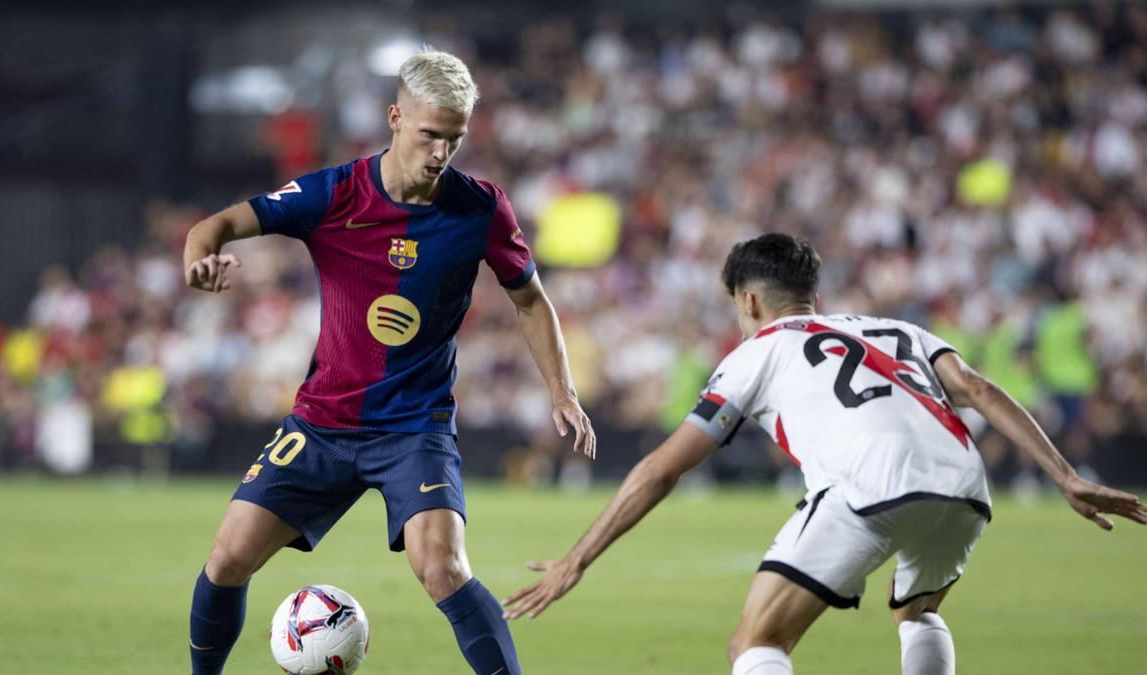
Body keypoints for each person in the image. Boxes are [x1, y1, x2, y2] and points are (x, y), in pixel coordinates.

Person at [501, 233, 1145, 675]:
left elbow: (664, 466)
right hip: (964, 483)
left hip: (870, 482)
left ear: (748, 301)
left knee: (755, 641)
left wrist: (577, 560)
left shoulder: (757, 350)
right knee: (916, 611)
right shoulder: (896, 329)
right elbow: (977, 390)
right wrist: (1064, 476)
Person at [182, 49, 595, 675]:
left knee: (444, 568)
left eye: (453, 140)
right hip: (322, 423)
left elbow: (531, 301)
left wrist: (562, 392)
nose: (440, 154)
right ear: (396, 118)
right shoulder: (331, 193)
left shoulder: (481, 208)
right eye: (430, 135)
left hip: (414, 428)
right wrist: (200, 263)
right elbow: (215, 226)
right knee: (227, 559)